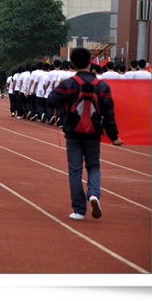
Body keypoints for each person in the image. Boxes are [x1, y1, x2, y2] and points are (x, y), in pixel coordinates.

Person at [47, 47, 123, 221]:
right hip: (93, 133)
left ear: (72, 63)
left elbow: (52, 101)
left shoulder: (68, 84)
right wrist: (114, 136)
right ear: (91, 61)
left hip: (73, 133)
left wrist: (59, 88)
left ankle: (79, 210)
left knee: (75, 171)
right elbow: (109, 114)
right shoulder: (102, 86)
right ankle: (94, 194)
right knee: (94, 166)